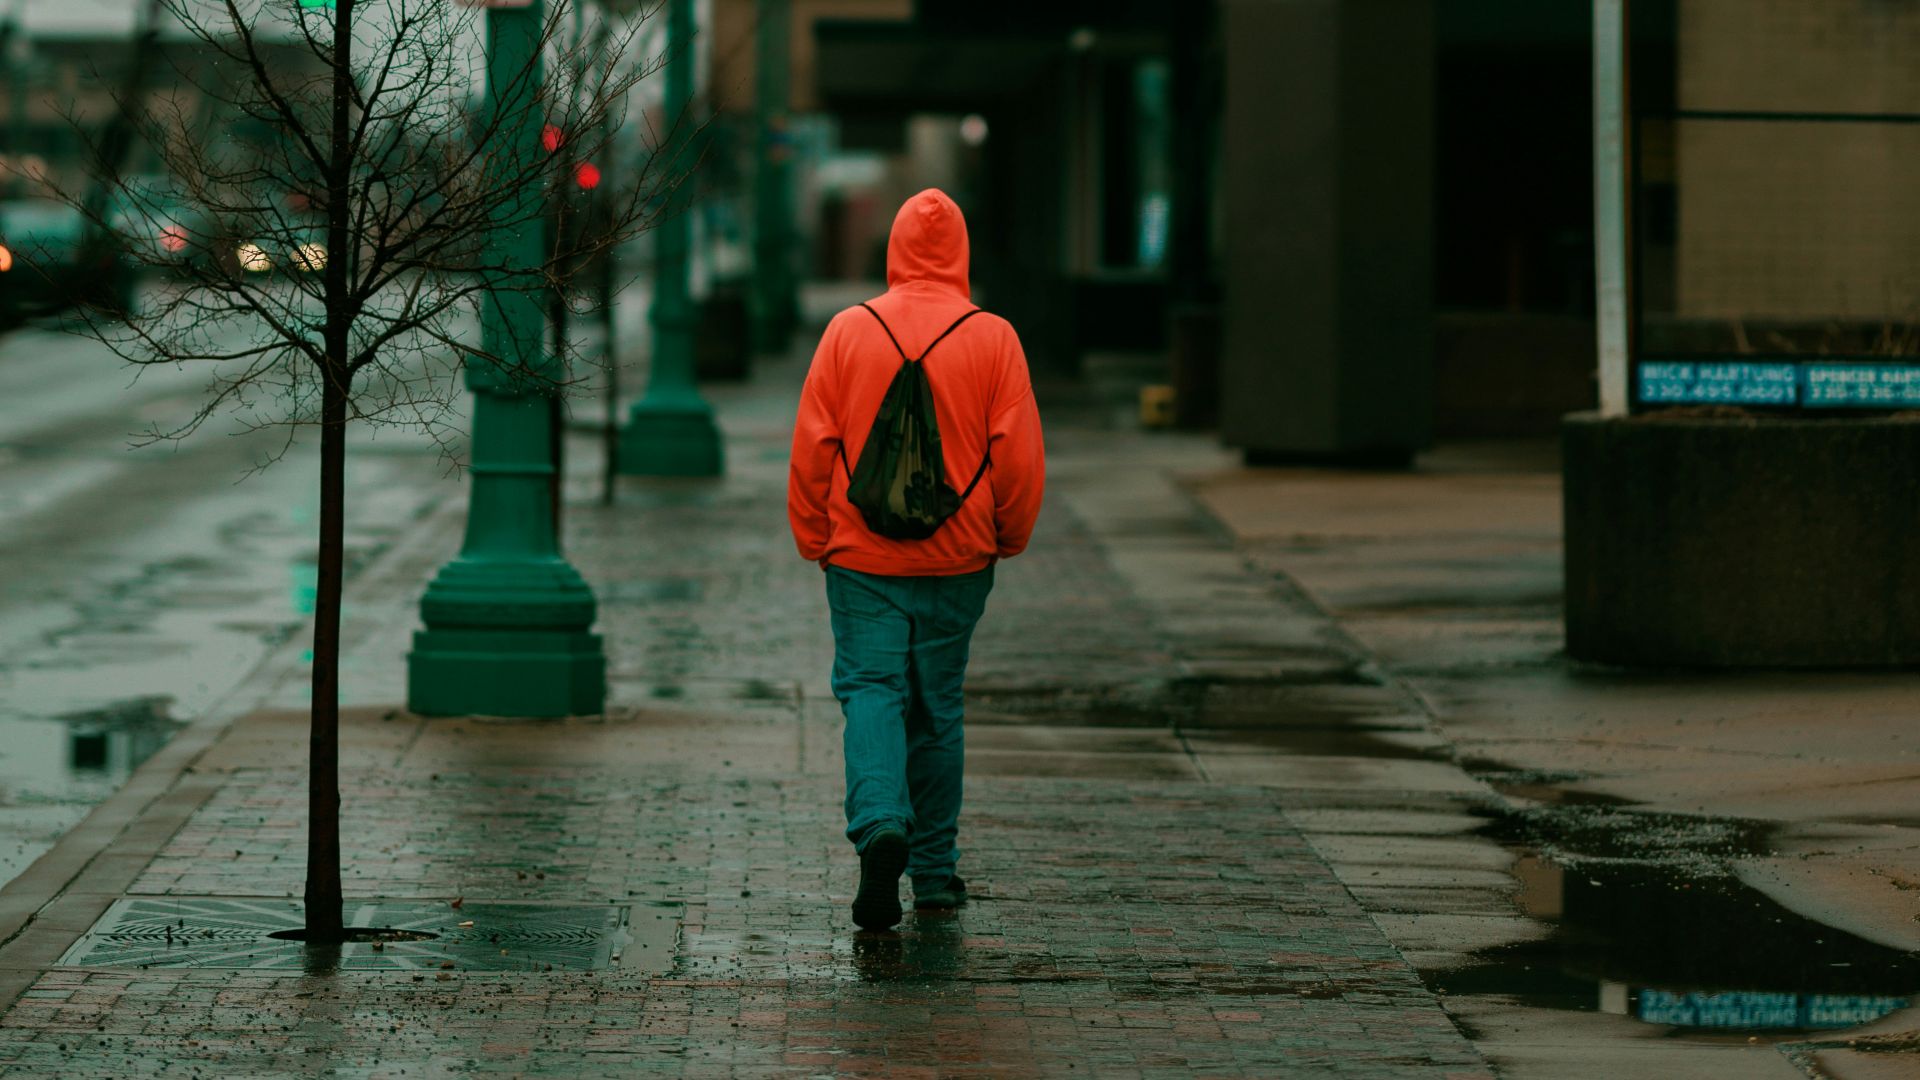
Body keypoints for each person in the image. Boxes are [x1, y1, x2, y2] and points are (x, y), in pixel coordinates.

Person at [787, 188, 1045, 931]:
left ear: (896, 248)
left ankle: (880, 824)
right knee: (938, 709)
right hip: (959, 557)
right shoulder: (993, 337)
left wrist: (814, 535)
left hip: (862, 556)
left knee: (872, 689)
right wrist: (1007, 535)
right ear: (960, 251)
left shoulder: (849, 331)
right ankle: (933, 873)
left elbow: (813, 447)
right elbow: (1018, 458)